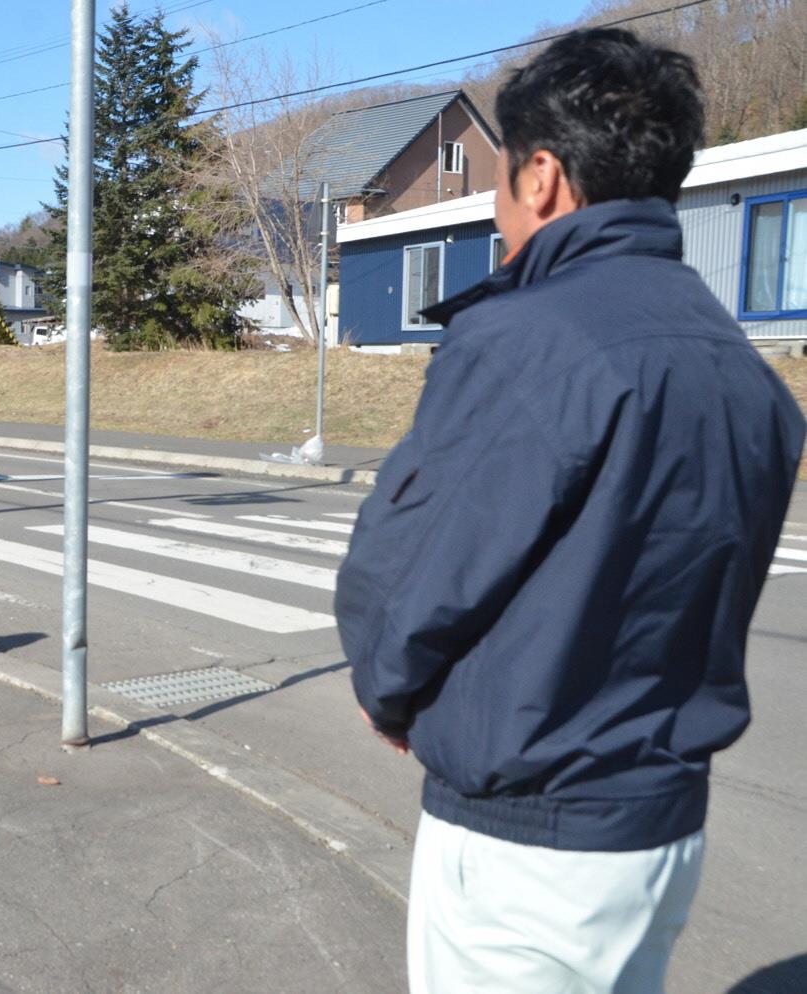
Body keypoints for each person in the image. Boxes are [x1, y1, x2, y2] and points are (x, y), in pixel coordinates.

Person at [335, 28, 805, 994]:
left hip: (528, 841)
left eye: (500, 180)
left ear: (541, 176)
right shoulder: (741, 369)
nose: (501, 212)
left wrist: (390, 694)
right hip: (661, 827)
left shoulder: (526, 342)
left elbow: (413, 572)